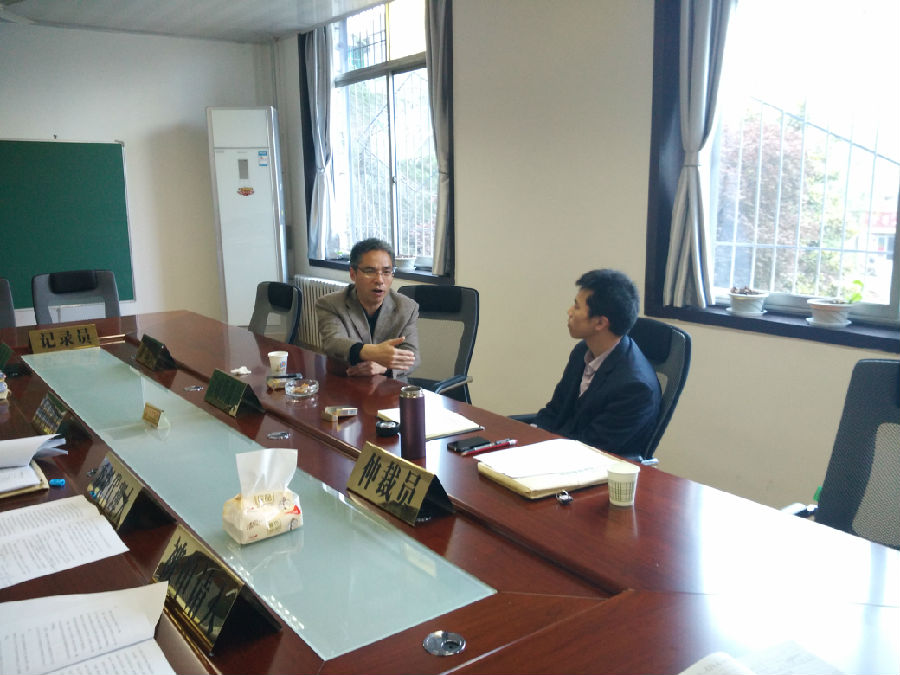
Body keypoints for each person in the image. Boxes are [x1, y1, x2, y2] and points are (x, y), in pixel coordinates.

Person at [533, 269, 661, 459]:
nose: (569, 312)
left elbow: (592, 448)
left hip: (591, 465)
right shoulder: (583, 352)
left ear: (600, 323)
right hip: (559, 451)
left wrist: (538, 450)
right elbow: (554, 410)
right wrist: (529, 435)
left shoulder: (634, 387)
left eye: (577, 307)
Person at [316, 238, 419, 378]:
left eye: (386, 272)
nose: (379, 280)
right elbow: (333, 343)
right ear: (353, 274)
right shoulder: (331, 303)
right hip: (347, 380)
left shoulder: (407, 307)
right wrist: (372, 352)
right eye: (370, 271)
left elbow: (412, 357)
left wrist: (383, 368)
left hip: (389, 384)